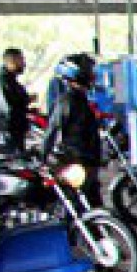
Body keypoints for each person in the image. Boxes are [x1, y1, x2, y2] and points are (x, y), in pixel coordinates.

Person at [40, 54, 104, 207]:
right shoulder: (66, 102)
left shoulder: (82, 99)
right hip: (74, 162)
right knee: (76, 206)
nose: (92, 74)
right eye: (88, 70)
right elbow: (52, 132)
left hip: (87, 162)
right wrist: (44, 160)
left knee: (93, 205)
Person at [0, 49, 31, 153]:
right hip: (4, 136)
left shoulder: (12, 83)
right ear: (11, 62)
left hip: (13, 134)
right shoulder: (1, 83)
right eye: (21, 60)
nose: (24, 64)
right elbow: (7, 111)